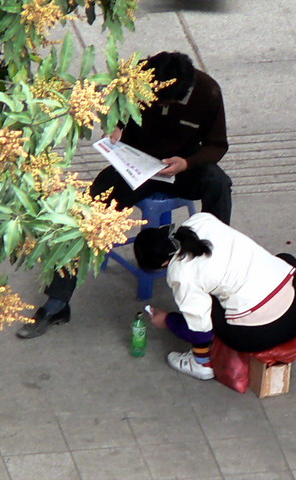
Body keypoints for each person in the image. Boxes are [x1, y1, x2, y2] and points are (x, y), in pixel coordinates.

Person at [17, 51, 232, 339]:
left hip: (180, 168)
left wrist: (187, 162)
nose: (155, 104)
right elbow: (110, 109)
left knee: (218, 184)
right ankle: (57, 301)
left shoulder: (208, 91)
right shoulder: (133, 79)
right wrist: (115, 124)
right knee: (86, 213)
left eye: (163, 101)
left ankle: (218, 276)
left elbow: (217, 145)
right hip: (135, 166)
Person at [133, 212, 296, 380]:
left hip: (255, 337)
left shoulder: (180, 274)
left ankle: (201, 364)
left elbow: (201, 332)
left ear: (163, 264)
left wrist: (168, 320)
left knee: (205, 311)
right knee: (286, 259)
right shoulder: (201, 221)